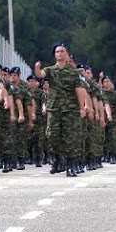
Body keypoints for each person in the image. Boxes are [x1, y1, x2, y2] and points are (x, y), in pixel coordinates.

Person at [34, 42, 87, 177]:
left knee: (71, 138)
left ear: (66, 54)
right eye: (57, 52)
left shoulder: (73, 72)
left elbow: (79, 90)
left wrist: (82, 107)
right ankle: (58, 158)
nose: (60, 54)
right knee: (51, 135)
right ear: (54, 55)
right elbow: (40, 74)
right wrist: (37, 68)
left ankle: (71, 165)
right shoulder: (51, 70)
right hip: (54, 108)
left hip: (70, 109)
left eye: (62, 51)